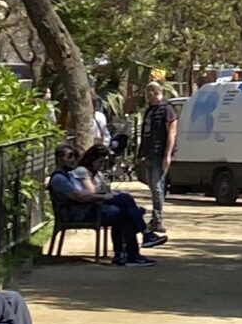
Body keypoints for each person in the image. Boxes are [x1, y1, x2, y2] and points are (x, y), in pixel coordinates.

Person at [49, 141, 155, 264]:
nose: (73, 160)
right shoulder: (60, 178)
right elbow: (79, 197)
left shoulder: (66, 175)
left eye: (75, 156)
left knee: (125, 208)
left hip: (83, 209)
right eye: (69, 156)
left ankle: (127, 254)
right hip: (76, 214)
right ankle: (130, 252)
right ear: (59, 159)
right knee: (122, 210)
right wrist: (104, 197)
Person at [138, 79, 178, 242]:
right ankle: (155, 218)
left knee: (157, 185)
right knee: (153, 186)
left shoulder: (167, 109)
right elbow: (145, 133)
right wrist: (140, 153)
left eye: (148, 93)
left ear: (155, 92)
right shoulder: (150, 110)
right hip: (148, 153)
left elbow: (172, 133)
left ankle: (158, 219)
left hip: (160, 153)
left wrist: (168, 154)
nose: (147, 97)